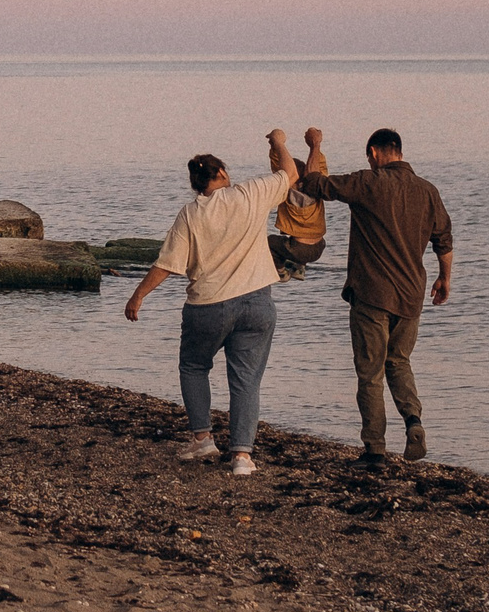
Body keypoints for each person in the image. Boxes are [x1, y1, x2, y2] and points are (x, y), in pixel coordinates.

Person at [123, 127, 300, 477]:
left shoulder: (191, 214)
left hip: (208, 305)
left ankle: (203, 437)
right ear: (221, 174)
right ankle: (242, 457)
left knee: (193, 366)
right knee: (246, 380)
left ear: (196, 184)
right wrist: (279, 141)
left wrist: (138, 295)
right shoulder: (249, 194)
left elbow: (167, 264)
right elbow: (291, 174)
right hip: (256, 302)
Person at [300, 125, 453, 467]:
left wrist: (315, 145)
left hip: (372, 295)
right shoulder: (428, 191)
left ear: (373, 153)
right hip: (412, 295)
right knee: (399, 362)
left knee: (370, 374)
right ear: (399, 150)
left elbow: (314, 184)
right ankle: (414, 421)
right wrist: (445, 279)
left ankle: (375, 450)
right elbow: (444, 238)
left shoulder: (368, 182)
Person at [270, 125, 330, 278]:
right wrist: (315, 145)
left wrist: (276, 143)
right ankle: (298, 269)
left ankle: (281, 272)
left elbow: (279, 166)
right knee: (297, 234)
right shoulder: (318, 189)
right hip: (319, 246)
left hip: (298, 248)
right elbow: (319, 168)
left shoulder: (289, 192)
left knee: (271, 243)